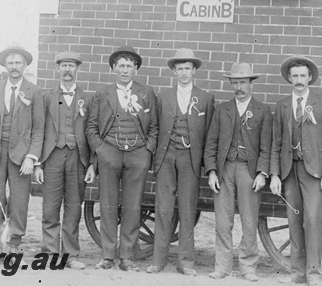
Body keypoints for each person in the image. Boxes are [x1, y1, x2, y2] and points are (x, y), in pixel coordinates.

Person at [85, 45, 158, 272]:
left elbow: (154, 127)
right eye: (121, 66)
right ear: (113, 68)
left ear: (136, 69)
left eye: (129, 66)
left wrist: (147, 151)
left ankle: (126, 256)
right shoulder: (102, 93)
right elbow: (91, 126)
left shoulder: (147, 93)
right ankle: (108, 255)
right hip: (109, 153)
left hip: (137, 154)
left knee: (132, 206)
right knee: (107, 204)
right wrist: (100, 150)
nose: (125, 70)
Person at [270, 57, 322, 286]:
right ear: (289, 79)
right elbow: (276, 143)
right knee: (294, 220)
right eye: (295, 76)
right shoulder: (282, 106)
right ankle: (297, 274)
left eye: (303, 76)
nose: (299, 80)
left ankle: (314, 274)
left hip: (315, 172)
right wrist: (275, 174)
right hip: (290, 171)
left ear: (310, 78)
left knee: (314, 220)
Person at [147, 48, 215, 276]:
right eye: (180, 69)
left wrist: (205, 164)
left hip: (190, 159)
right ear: (174, 71)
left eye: (187, 68)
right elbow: (155, 128)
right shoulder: (163, 97)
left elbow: (209, 135)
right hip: (166, 158)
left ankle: (185, 263)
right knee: (163, 209)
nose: (184, 73)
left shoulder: (206, 99)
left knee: (187, 210)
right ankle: (158, 261)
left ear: (194, 70)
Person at [204, 62, 272, 282]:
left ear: (251, 84)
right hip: (224, 170)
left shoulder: (262, 110)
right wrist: (212, 171)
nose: (239, 87)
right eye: (235, 83)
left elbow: (266, 147)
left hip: (248, 171)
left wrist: (262, 173)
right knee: (223, 221)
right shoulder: (222, 109)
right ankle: (222, 267)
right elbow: (211, 143)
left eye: (243, 82)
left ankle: (248, 267)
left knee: (249, 220)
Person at [0, 45, 44, 254]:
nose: (14, 67)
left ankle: (14, 243)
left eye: (18, 63)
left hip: (21, 155)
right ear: (5, 66)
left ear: (25, 65)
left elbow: (39, 129)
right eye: (10, 63)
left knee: (19, 200)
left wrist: (31, 157)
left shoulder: (34, 91)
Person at [34, 51, 96, 270]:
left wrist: (92, 164)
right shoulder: (46, 97)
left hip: (78, 159)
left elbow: (93, 132)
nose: (67, 70)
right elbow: (39, 130)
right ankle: (50, 253)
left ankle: (71, 255)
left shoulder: (88, 98)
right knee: (50, 208)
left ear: (77, 69)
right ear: (57, 69)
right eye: (64, 66)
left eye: (71, 66)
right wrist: (38, 163)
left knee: (73, 208)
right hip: (52, 157)